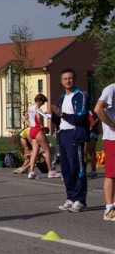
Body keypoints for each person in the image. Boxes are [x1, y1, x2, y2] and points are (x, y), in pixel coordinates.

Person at [51, 68, 90, 213]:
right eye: (65, 79)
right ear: (61, 81)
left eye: (70, 78)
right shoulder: (62, 98)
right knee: (66, 169)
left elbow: (80, 117)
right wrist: (54, 115)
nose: (68, 81)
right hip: (63, 135)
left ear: (74, 79)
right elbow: (59, 118)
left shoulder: (81, 96)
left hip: (75, 135)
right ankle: (71, 197)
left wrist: (62, 114)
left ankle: (80, 200)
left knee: (77, 168)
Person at [94, 80, 115, 221]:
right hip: (112, 139)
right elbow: (98, 108)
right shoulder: (111, 89)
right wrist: (111, 124)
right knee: (111, 174)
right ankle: (108, 209)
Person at [27, 94, 60, 179]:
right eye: (43, 102)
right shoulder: (38, 107)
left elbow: (28, 116)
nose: (43, 104)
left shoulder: (31, 107)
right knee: (47, 150)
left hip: (32, 130)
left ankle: (31, 172)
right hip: (38, 130)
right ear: (41, 101)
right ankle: (50, 171)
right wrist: (41, 125)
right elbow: (38, 117)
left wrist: (44, 113)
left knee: (35, 151)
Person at [85, 110, 99, 179]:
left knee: (91, 152)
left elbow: (96, 119)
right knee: (83, 152)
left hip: (92, 133)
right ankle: (83, 171)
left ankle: (93, 171)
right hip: (84, 132)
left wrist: (92, 124)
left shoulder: (90, 110)